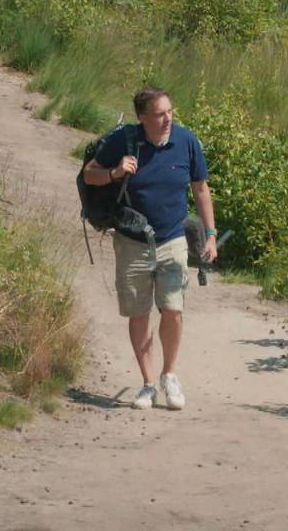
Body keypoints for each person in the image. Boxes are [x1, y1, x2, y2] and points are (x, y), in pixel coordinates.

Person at [82, 87, 217, 410]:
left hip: (172, 240)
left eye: (170, 111)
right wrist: (114, 172)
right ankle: (147, 383)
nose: (167, 118)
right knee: (139, 313)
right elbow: (89, 175)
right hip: (132, 242)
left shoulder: (185, 141)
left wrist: (210, 234)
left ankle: (169, 375)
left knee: (173, 308)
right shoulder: (124, 142)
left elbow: (200, 188)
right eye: (159, 114)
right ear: (143, 118)